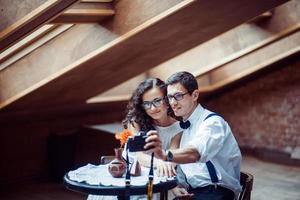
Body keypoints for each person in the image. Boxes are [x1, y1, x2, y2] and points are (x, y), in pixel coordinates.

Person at [145, 71, 242, 200]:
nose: (172, 102)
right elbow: (185, 169)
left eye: (178, 96)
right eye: (169, 97)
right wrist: (176, 186)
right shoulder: (183, 128)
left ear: (195, 95)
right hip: (194, 193)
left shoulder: (212, 123)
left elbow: (194, 153)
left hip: (217, 191)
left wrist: (164, 154)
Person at [88, 78, 182, 200]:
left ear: (167, 99)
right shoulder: (136, 121)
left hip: (156, 178)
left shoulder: (178, 129)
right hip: (126, 174)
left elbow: (171, 160)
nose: (152, 108)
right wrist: (159, 163)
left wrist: (168, 175)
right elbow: (138, 156)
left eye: (157, 101)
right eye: (147, 104)